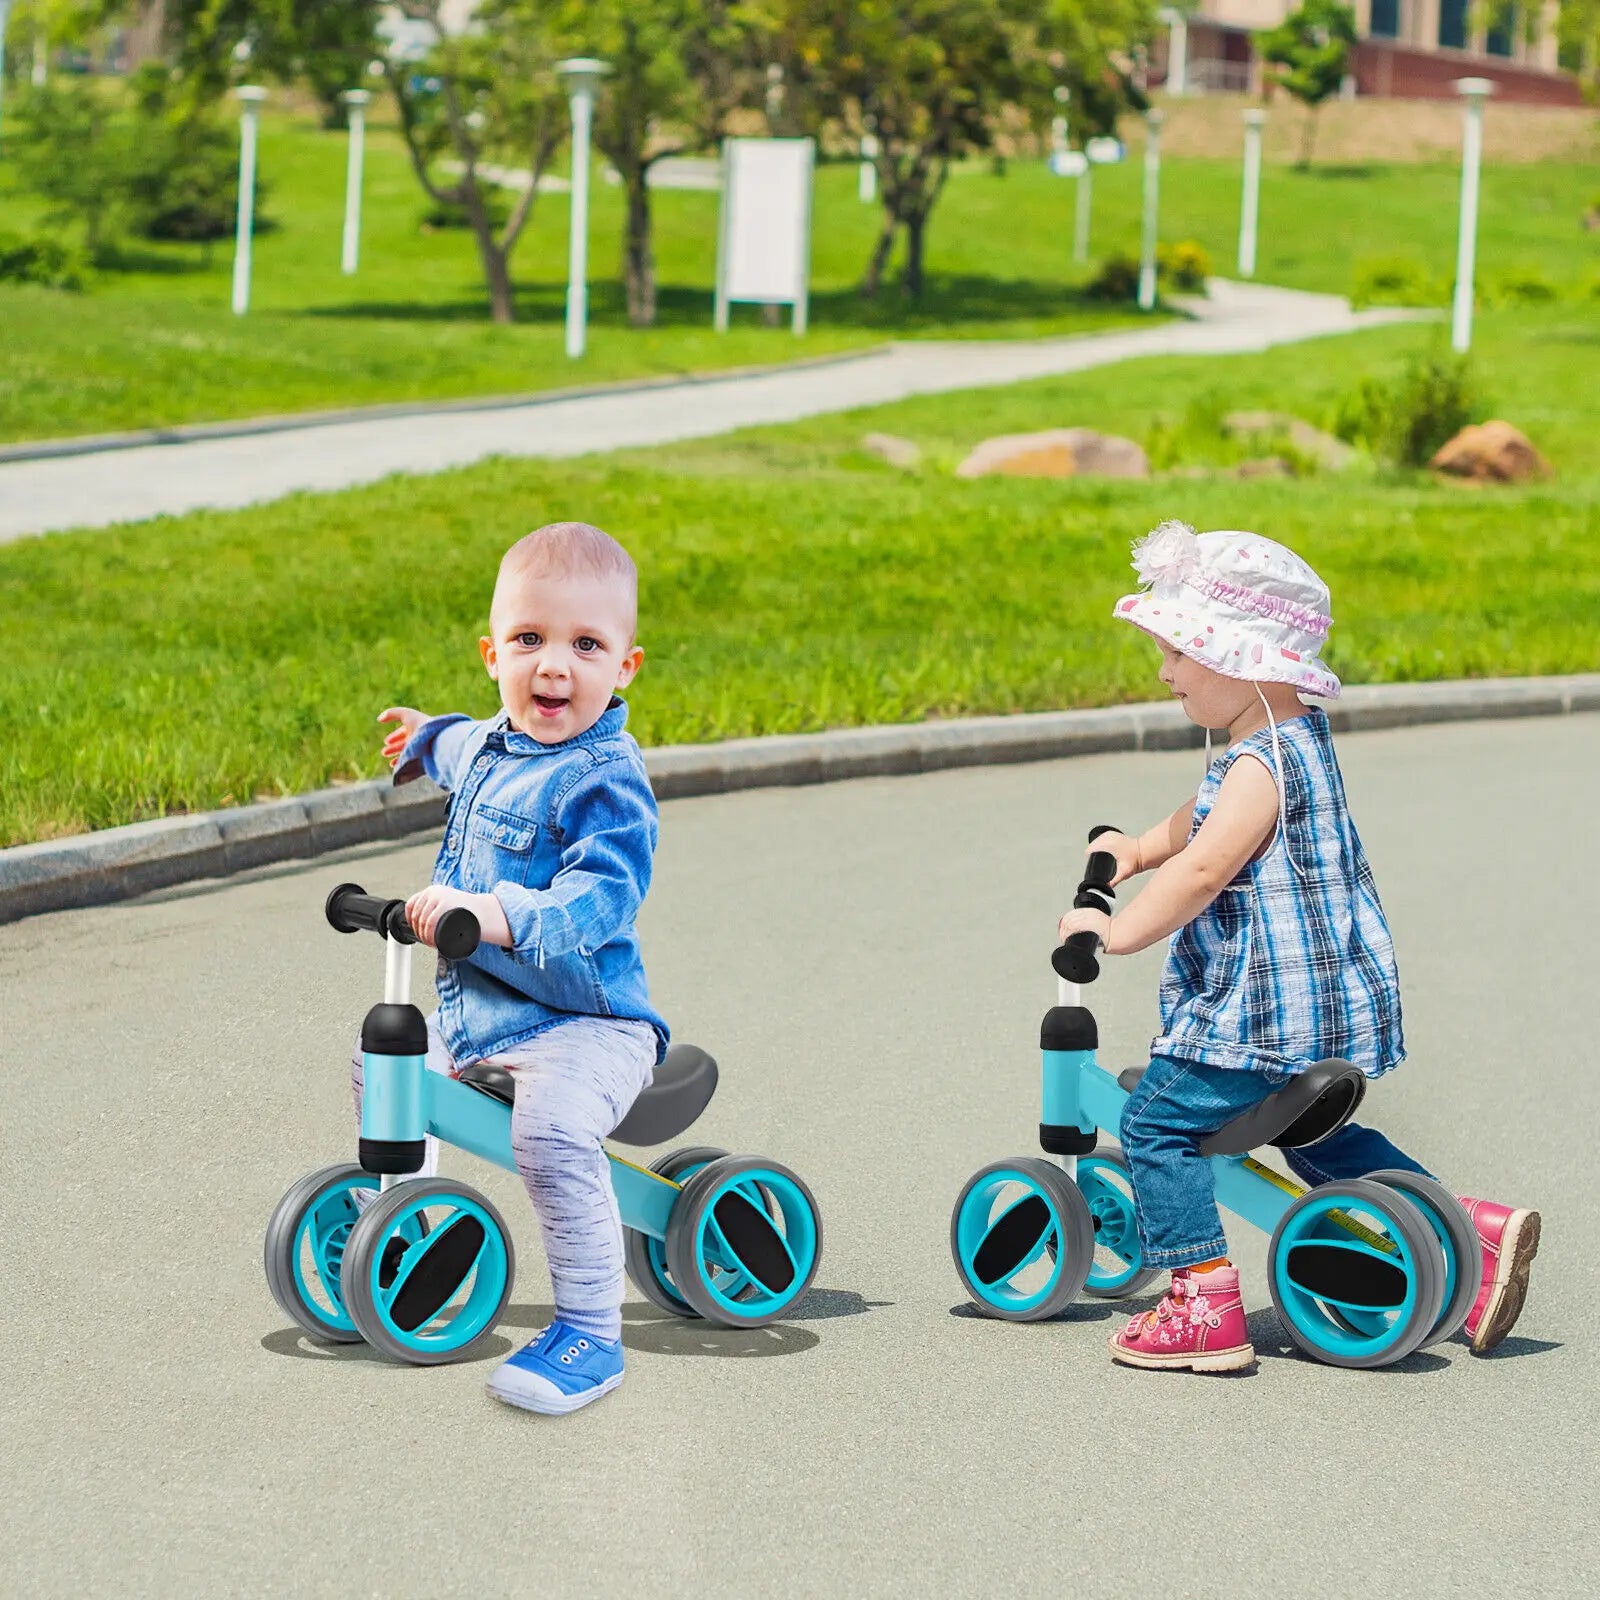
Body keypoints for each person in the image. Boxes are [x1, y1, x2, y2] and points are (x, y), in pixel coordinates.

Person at [1057, 520, 1539, 1373]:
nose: (1165, 672)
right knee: (1318, 1140)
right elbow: (1198, 825)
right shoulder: (1289, 741)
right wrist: (1134, 848)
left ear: (1242, 658)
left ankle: (1202, 1303)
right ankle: (1474, 1233)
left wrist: (1115, 928)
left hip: (1258, 1016)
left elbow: (1207, 867)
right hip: (1320, 1013)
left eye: (1178, 653)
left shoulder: (1255, 766)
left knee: (1156, 1123)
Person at [363, 519, 667, 1414]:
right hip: (486, 1024)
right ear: (493, 653)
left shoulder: (606, 780)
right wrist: (426, 740)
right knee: (379, 1065)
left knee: (549, 1134)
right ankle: (405, 1233)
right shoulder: (497, 741)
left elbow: (601, 898)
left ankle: (590, 1333)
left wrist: (491, 914)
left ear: (626, 668)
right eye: (530, 640)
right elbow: (465, 747)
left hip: (592, 1030)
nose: (554, 667)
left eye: (586, 645)